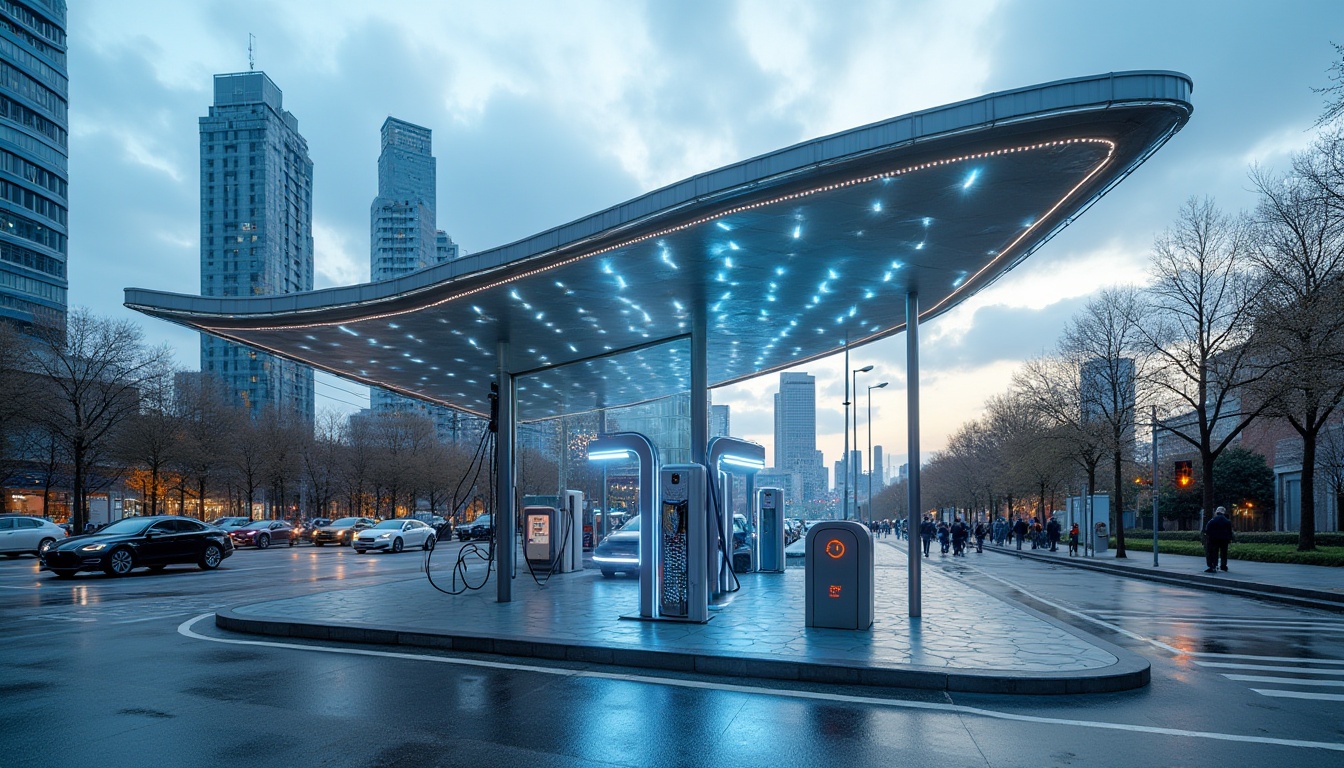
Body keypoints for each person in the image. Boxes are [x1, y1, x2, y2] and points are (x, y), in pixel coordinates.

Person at [1203, 506, 1234, 573]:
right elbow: (1230, 532)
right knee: (1224, 553)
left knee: (1214, 553)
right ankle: (1223, 566)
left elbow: (1207, 530)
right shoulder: (1227, 521)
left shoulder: (1212, 520)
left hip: (1214, 540)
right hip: (1224, 540)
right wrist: (1229, 539)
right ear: (1224, 513)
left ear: (1217, 512)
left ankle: (1214, 565)